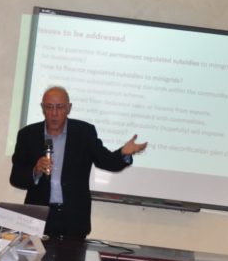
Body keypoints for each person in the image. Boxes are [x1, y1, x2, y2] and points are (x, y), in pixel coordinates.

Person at [10, 86, 147, 238]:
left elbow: (106, 161)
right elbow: (16, 178)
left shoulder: (83, 132)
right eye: (49, 107)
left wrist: (123, 153)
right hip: (38, 220)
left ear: (69, 108)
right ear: (42, 108)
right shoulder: (27, 135)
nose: (54, 113)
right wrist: (35, 171)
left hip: (74, 220)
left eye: (59, 107)